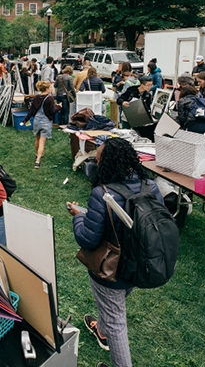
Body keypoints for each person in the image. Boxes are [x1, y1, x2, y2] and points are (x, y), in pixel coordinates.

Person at [67, 137, 163, 367]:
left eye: (99, 160)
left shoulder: (103, 194)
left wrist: (79, 217)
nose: (97, 164)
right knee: (112, 309)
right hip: (141, 262)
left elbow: (88, 238)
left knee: (117, 323)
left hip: (113, 270)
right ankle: (101, 329)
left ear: (107, 163)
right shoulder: (150, 185)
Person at [21, 81, 62, 169]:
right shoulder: (50, 98)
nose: (51, 89)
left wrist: (25, 120)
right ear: (47, 89)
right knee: (42, 142)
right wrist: (59, 106)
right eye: (50, 88)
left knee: (37, 139)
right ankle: (38, 161)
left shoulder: (36, 97)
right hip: (45, 122)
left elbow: (31, 110)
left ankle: (37, 154)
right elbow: (52, 111)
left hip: (36, 121)